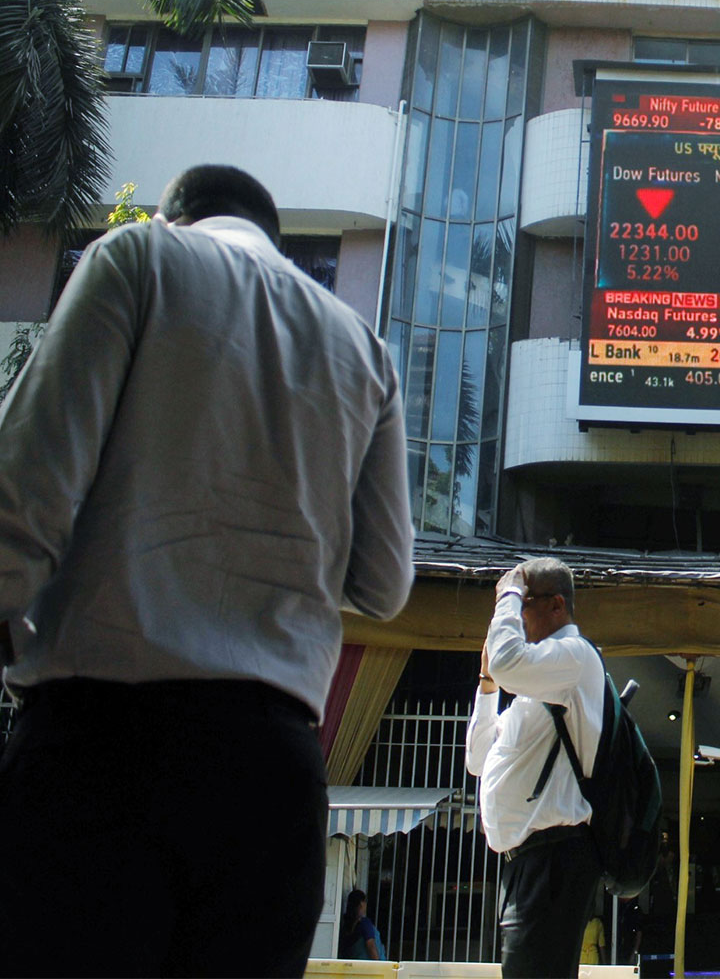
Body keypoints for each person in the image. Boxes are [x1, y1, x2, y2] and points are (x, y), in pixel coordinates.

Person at [0, 164, 413, 977]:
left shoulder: (139, 260)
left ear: (176, 214)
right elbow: (386, 582)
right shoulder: (361, 347)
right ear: (273, 235)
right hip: (274, 777)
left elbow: (27, 491)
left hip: (100, 747)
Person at [466, 556, 607, 978]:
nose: (516, 617)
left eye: (523, 605)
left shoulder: (574, 656)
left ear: (556, 606)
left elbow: (509, 661)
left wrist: (506, 593)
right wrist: (488, 684)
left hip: (553, 856)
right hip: (529, 861)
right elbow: (477, 759)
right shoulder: (538, 689)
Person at [341, 889, 385, 961]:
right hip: (369, 968)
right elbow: (371, 946)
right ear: (361, 903)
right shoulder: (364, 923)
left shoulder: (346, 925)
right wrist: (379, 966)